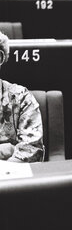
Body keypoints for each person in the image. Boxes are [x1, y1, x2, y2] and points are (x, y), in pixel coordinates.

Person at [0, 31, 44, 162]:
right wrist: (7, 150)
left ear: (0, 58)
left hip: (12, 179)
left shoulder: (21, 97)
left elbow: (31, 150)